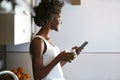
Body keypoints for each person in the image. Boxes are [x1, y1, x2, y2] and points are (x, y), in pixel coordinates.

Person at [30, 0, 82, 80]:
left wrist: (70, 56)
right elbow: (37, 77)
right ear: (50, 18)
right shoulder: (38, 41)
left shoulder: (47, 41)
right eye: (59, 18)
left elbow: (54, 68)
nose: (61, 22)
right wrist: (58, 58)